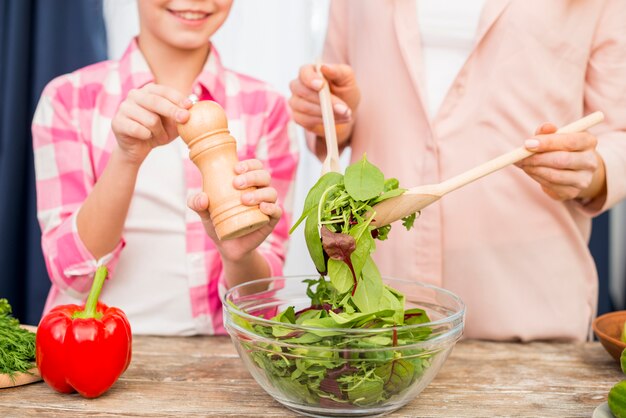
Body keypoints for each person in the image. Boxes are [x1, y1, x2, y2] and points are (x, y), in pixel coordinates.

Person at [289, 0, 626, 341]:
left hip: (526, 305)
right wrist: (333, 113)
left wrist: (590, 170)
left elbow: (619, 134)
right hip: (379, 304)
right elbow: (333, 99)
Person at [32, 0, 298, 335]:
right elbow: (73, 274)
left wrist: (238, 255)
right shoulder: (69, 99)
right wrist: (126, 157)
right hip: (88, 346)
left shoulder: (267, 107)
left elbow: (260, 306)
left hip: (216, 358)